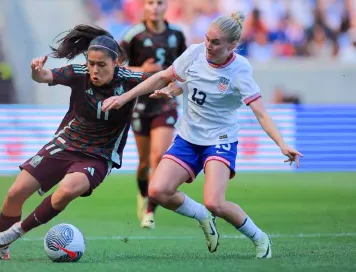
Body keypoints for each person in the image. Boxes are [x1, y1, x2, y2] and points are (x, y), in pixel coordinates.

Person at [0, 24, 208, 261]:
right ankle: (0, 252)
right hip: (65, 144)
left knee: (67, 190)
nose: (94, 70)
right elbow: (44, 76)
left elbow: (167, 81)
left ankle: (15, 232)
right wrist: (35, 70)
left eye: (101, 65)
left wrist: (170, 91)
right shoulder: (79, 73)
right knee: (15, 192)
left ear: (116, 62)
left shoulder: (129, 79)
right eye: (91, 63)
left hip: (99, 154)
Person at [102, 12, 303, 259]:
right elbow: (163, 77)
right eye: (207, 39)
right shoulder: (196, 52)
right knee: (157, 191)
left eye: (216, 42)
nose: (208, 45)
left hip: (220, 140)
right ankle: (203, 218)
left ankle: (260, 237)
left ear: (232, 46)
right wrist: (125, 98)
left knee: (215, 202)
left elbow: (261, 113)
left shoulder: (240, 70)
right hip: (188, 138)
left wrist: (282, 144)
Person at [120, 0, 187, 229]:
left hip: (165, 102)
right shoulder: (133, 35)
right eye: (151, 3)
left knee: (158, 157)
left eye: (160, 3)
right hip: (140, 103)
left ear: (165, 7)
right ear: (144, 7)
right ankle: (142, 194)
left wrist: (175, 86)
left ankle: (150, 209)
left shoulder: (177, 35)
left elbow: (185, 68)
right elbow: (115, 67)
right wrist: (142, 71)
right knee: (143, 163)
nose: (155, 7)